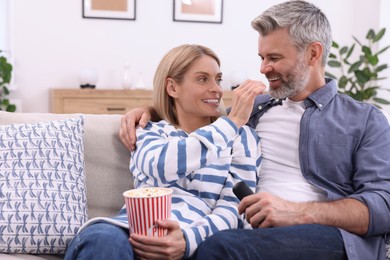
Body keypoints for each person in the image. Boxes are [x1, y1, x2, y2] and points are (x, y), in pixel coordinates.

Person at [119, 1, 390, 260]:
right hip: (252, 232)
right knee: (216, 243)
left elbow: (383, 206)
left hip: (325, 235)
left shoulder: (364, 119)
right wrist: (151, 110)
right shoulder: (253, 109)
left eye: (274, 58)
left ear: (313, 53)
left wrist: (296, 212)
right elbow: (202, 118)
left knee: (220, 248)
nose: (263, 69)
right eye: (262, 57)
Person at [65, 44, 263, 260]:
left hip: (193, 242)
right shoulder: (148, 131)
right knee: (103, 240)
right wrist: (231, 122)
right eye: (202, 79)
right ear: (172, 87)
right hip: (129, 232)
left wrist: (187, 240)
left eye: (218, 79)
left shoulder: (241, 137)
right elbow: (161, 166)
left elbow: (236, 208)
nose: (216, 88)